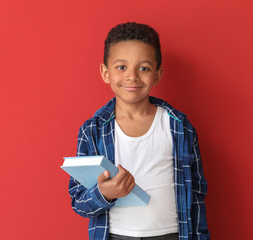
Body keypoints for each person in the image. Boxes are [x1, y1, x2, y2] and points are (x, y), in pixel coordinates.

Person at [68, 22, 210, 240]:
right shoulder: (92, 130)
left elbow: (197, 195)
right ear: (105, 73)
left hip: (171, 234)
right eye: (121, 67)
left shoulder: (179, 126)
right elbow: (79, 202)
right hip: (115, 235)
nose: (132, 76)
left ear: (157, 74)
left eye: (143, 68)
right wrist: (105, 193)